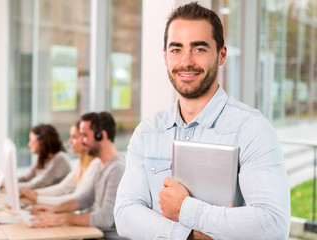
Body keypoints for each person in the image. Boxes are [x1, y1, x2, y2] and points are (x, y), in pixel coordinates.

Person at [114, 2, 290, 240]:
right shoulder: (148, 132)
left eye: (199, 49)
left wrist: (185, 209)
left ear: (221, 55)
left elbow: (273, 225)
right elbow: (125, 215)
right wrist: (188, 235)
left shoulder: (251, 129)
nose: (186, 61)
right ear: (165, 57)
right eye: (176, 49)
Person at [30, 112, 126, 239]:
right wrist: (54, 209)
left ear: (101, 136)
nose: (81, 141)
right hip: (92, 233)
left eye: (84, 136)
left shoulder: (117, 168)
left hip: (105, 237)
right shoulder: (98, 163)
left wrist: (62, 218)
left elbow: (105, 218)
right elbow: (85, 198)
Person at [19, 121, 100, 205]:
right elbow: (63, 187)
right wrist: (34, 195)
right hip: (61, 205)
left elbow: (76, 196)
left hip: (66, 207)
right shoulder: (80, 162)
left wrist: (36, 197)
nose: (69, 141)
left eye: (74, 137)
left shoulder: (61, 159)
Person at [18, 124, 71, 189]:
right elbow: (25, 178)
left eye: (31, 140)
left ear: (41, 140)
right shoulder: (42, 158)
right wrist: (5, 182)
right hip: (45, 197)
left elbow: (38, 185)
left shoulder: (60, 158)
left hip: (56, 198)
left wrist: (9, 186)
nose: (29, 144)